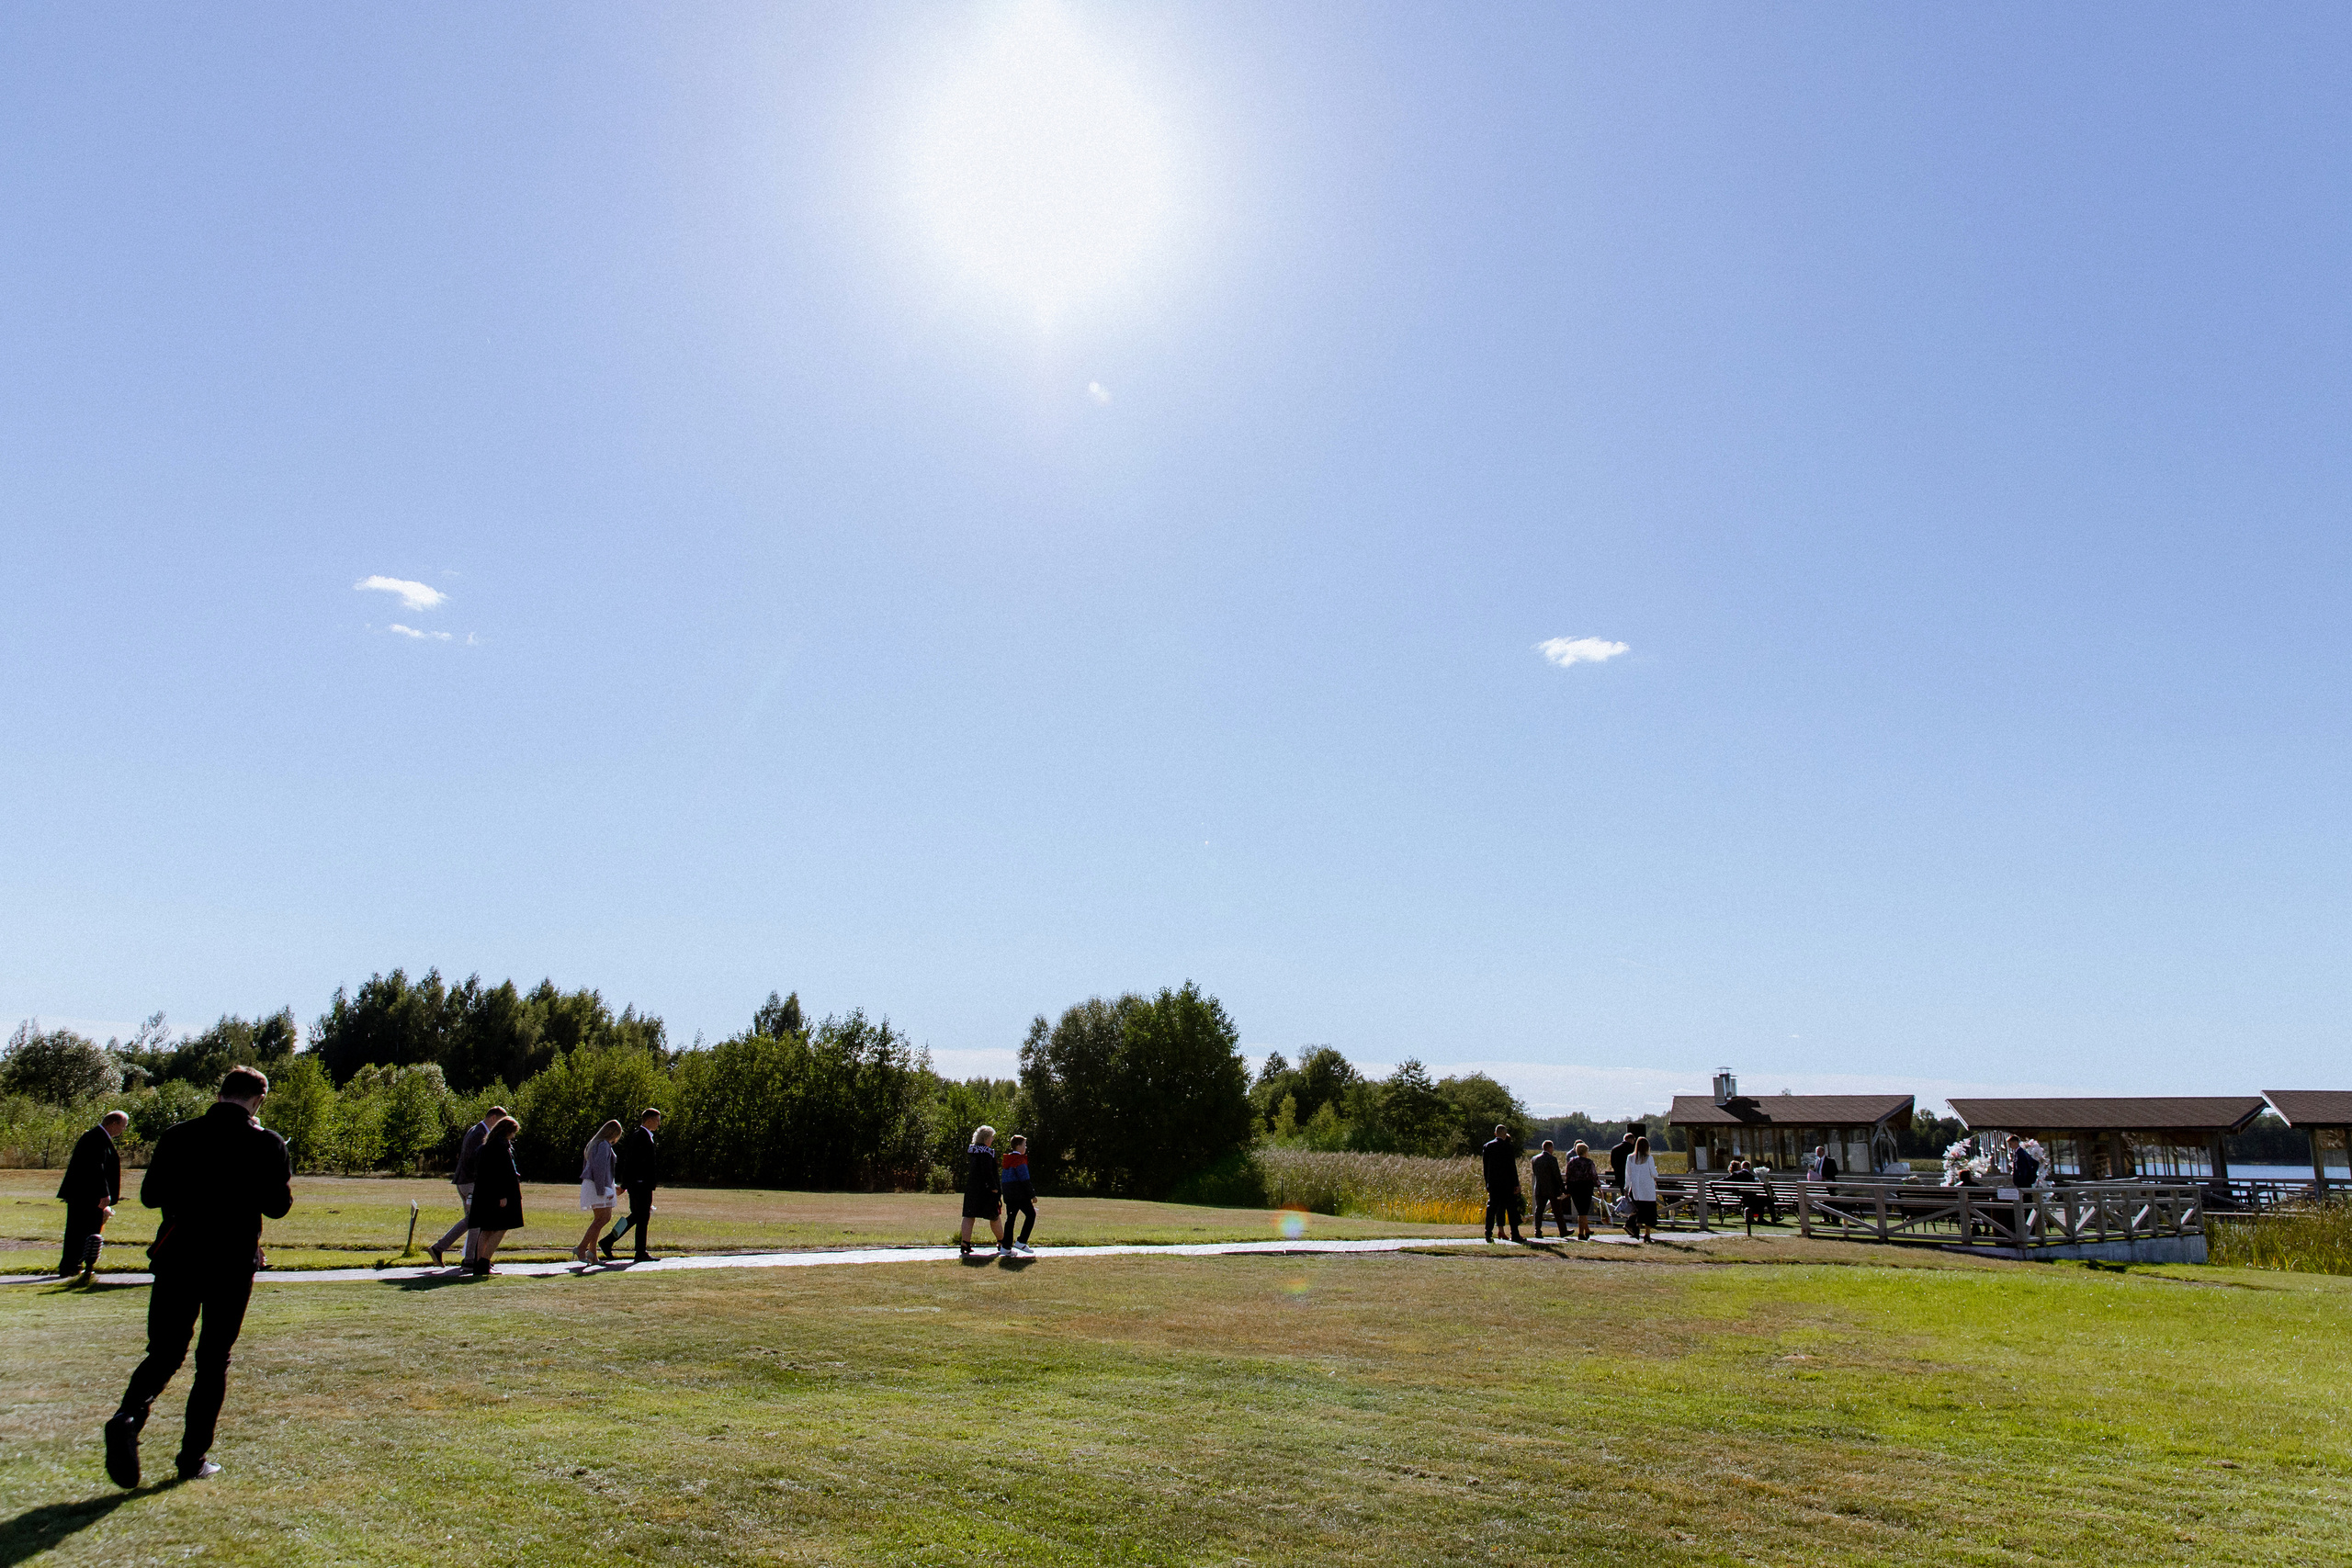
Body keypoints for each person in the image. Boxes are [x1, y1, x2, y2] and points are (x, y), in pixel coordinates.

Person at [104, 1067, 292, 1489]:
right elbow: (278, 1207)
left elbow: (151, 1197)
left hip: (178, 1255)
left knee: (165, 1351)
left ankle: (128, 1418)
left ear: (221, 1093)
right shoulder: (267, 1143)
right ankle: (192, 1458)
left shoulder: (178, 1135)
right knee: (212, 1361)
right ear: (258, 1100)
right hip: (230, 1261)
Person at [427, 1104, 506, 1269]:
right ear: (493, 1118)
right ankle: (439, 1247)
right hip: (471, 1182)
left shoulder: (475, 1130)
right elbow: (477, 1161)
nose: (500, 1127)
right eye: (500, 1122)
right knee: (474, 1220)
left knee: (474, 1223)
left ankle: (470, 1259)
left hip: (464, 1181)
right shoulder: (481, 1133)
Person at [58, 1111, 128, 1278]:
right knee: (81, 1231)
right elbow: (96, 1168)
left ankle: (76, 1265)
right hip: (87, 1196)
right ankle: (72, 1266)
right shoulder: (96, 1138)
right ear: (113, 1123)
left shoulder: (98, 1137)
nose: (123, 1130)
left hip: (87, 1195)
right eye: (123, 1126)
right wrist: (104, 1193)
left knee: (83, 1230)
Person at [600, 1107, 663, 1262]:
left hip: (641, 1184)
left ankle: (620, 1245)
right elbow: (631, 1162)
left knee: (639, 1217)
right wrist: (626, 1184)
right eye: (657, 1120)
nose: (658, 1124)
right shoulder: (640, 1137)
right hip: (640, 1185)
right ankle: (630, 1249)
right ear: (649, 1120)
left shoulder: (644, 1136)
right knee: (640, 1216)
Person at [467, 1117, 523, 1276]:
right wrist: (503, 1195)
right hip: (498, 1194)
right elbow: (499, 1173)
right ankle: (485, 1261)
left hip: (484, 1193)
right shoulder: (500, 1147)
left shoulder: (487, 1145)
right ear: (508, 1131)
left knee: (486, 1229)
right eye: (513, 1132)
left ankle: (480, 1264)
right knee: (500, 1227)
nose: (514, 1136)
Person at [574, 1120, 623, 1262]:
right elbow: (600, 1169)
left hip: (593, 1184)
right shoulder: (604, 1145)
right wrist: (603, 1190)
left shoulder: (594, 1144)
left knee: (599, 1219)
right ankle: (582, 1247)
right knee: (604, 1218)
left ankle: (592, 1253)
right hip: (598, 1186)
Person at [959, 1125, 1003, 1257]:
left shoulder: (973, 1152)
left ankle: (965, 1243)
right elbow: (988, 1172)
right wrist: (994, 1187)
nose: (993, 1140)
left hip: (972, 1189)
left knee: (969, 1215)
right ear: (986, 1139)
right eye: (991, 1137)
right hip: (986, 1191)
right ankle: (1002, 1241)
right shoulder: (986, 1153)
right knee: (994, 1216)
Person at [1480, 1123, 1525, 1244]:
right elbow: (1512, 1167)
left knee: (1492, 1208)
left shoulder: (1487, 1146)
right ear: (1505, 1134)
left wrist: (1487, 1183)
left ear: (1495, 1134)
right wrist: (1516, 1184)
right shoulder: (1508, 1147)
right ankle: (1515, 1234)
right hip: (1507, 1183)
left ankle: (1488, 1232)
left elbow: (1485, 1168)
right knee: (1511, 1209)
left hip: (1494, 1183)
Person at [999, 1134, 1036, 1254]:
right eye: (1024, 1145)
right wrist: (1032, 1194)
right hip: (1020, 1194)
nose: (1025, 1147)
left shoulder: (1007, 1160)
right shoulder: (1020, 1160)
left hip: (1010, 1194)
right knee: (1031, 1215)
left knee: (1010, 1219)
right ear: (1018, 1146)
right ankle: (1021, 1241)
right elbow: (1025, 1179)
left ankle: (1006, 1247)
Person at [1562, 1141, 1600, 1242]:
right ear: (1585, 1151)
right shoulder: (1589, 1162)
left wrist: (1568, 1188)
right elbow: (1594, 1175)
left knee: (1580, 1210)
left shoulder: (1571, 1162)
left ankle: (1586, 1230)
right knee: (1583, 1212)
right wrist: (1599, 1186)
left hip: (1574, 1188)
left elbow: (1568, 1176)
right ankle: (1580, 1233)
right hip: (1586, 1187)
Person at [1625, 1134, 1659, 1242]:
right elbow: (1654, 1174)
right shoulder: (1649, 1158)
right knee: (1649, 1213)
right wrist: (1655, 1170)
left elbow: (1628, 1174)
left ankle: (1636, 1230)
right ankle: (1647, 1234)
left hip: (1636, 1189)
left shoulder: (1630, 1158)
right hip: (1647, 1190)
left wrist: (1627, 1186)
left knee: (1639, 1210)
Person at [1528, 1140, 1564, 1239]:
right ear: (1550, 1148)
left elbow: (1535, 1173)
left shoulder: (1534, 1159)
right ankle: (1562, 1230)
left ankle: (1537, 1230)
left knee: (1539, 1210)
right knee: (1557, 1211)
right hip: (1552, 1188)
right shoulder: (1552, 1159)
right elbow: (1557, 1175)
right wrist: (1563, 1188)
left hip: (1539, 1187)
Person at [1609, 1127, 1638, 1191]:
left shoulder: (1615, 1149)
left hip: (1619, 1176)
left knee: (1623, 1193)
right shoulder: (1633, 1149)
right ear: (1630, 1139)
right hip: (1631, 1177)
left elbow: (1613, 1163)